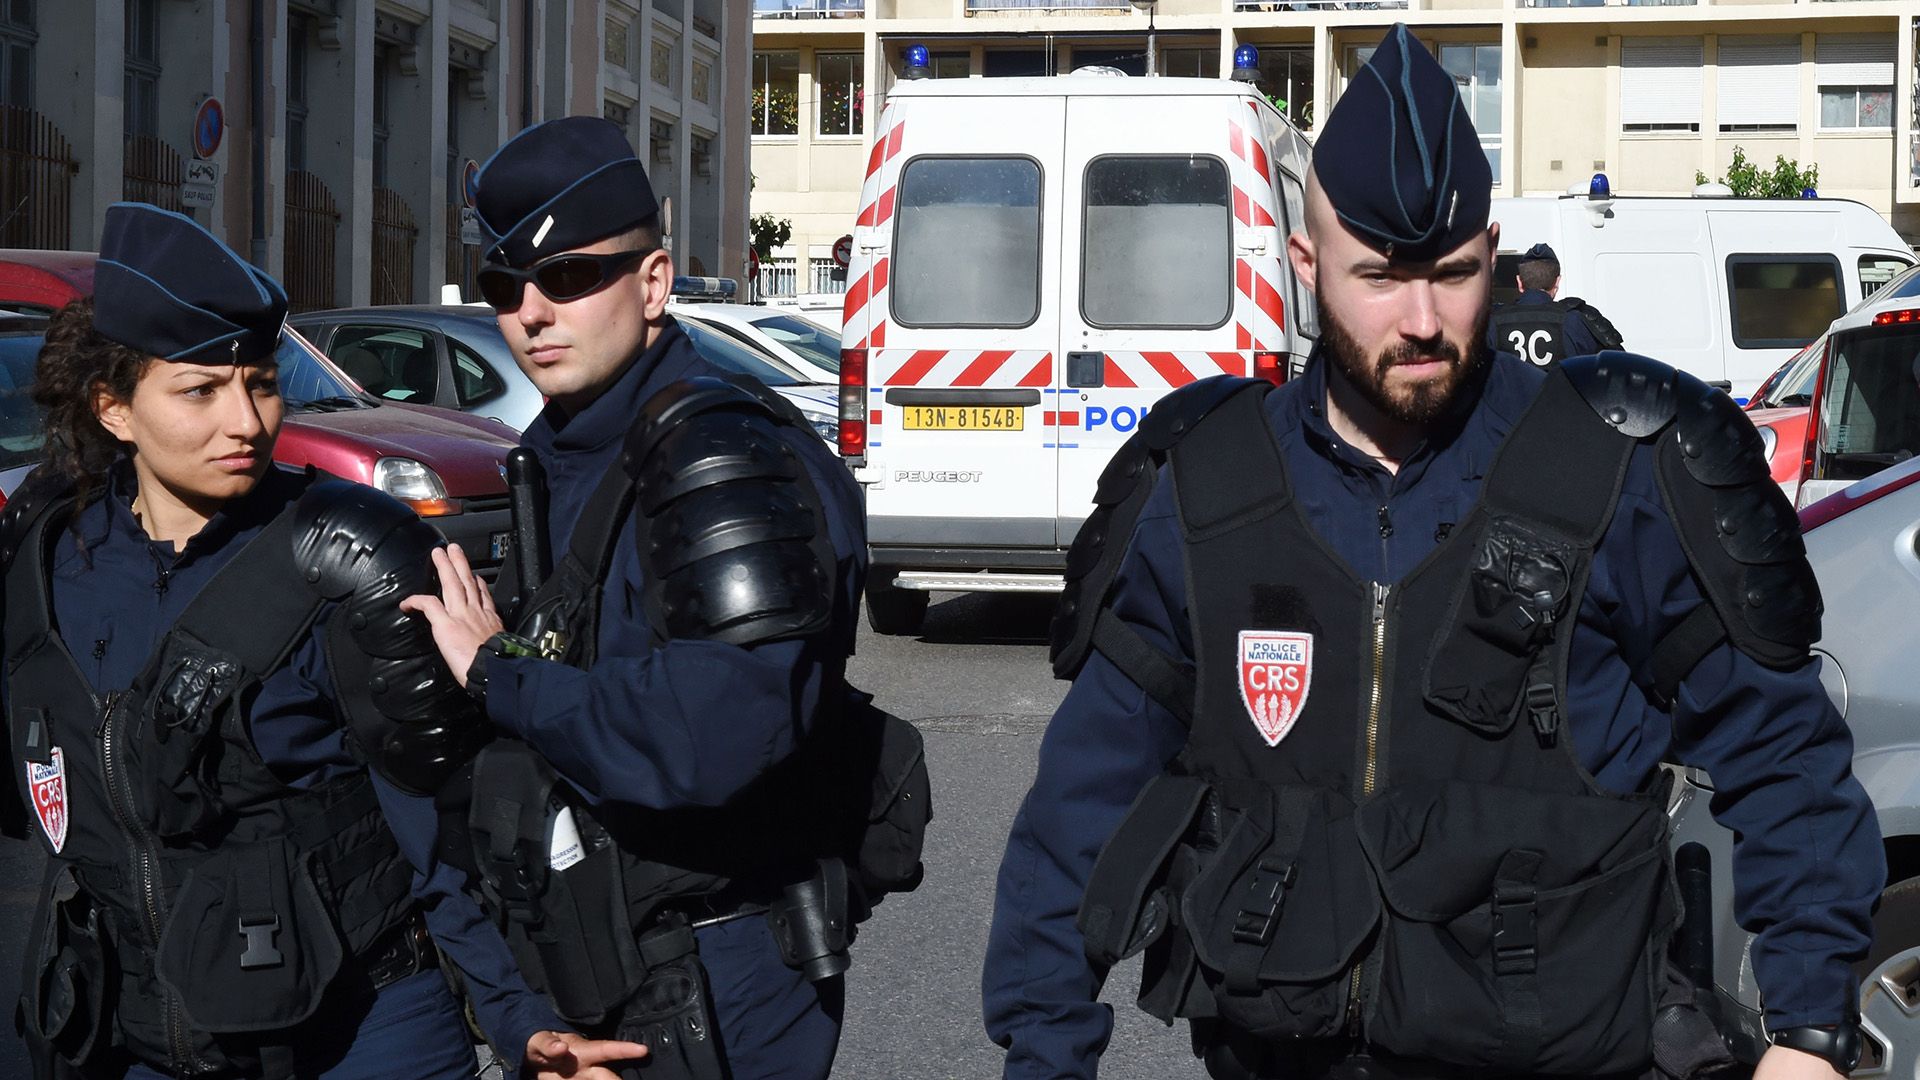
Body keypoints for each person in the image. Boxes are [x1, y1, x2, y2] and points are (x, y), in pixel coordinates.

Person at [984, 26, 1881, 1080]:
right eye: (1380, 277)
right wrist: (1045, 1048)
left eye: (1452, 274)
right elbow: (1080, 806)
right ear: (1306, 260)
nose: (1421, 321)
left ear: (1490, 250)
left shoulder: (1613, 475)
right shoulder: (1210, 488)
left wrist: (1809, 1035)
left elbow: (1786, 755)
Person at [0, 203, 644, 1080]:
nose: (247, 421)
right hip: (138, 1034)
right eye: (201, 391)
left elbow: (444, 824)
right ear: (114, 409)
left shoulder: (344, 552)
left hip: (364, 1032)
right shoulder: (47, 561)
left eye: (262, 382)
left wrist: (520, 1015)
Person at [397, 117, 914, 1080]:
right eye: (505, 289)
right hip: (585, 953)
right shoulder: (566, 450)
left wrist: (501, 675)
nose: (532, 314)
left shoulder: (720, 459)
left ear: (654, 283)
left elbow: (707, 735)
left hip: (717, 965)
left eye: (571, 278)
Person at [1485, 241, 1624, 369]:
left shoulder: (1494, 321)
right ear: (1557, 282)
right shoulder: (1575, 320)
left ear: (1519, 282)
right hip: (1559, 396)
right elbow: (1617, 365)